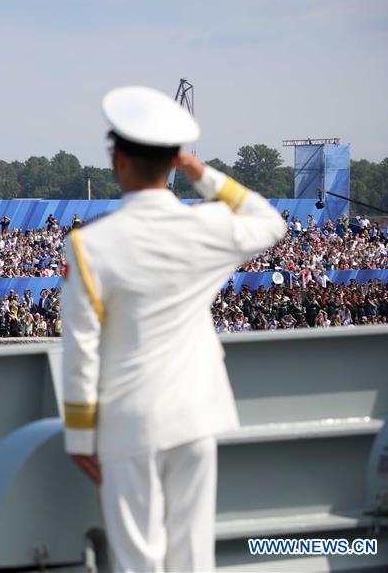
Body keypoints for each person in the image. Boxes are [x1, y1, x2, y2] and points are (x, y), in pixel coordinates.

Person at [61, 86, 286, 572]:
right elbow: (269, 222)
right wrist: (202, 175)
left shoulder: (88, 246)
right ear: (174, 160)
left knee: (139, 559)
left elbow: (80, 348)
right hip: (197, 412)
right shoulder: (208, 227)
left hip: (129, 419)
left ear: (118, 158)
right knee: (192, 557)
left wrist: (80, 436)